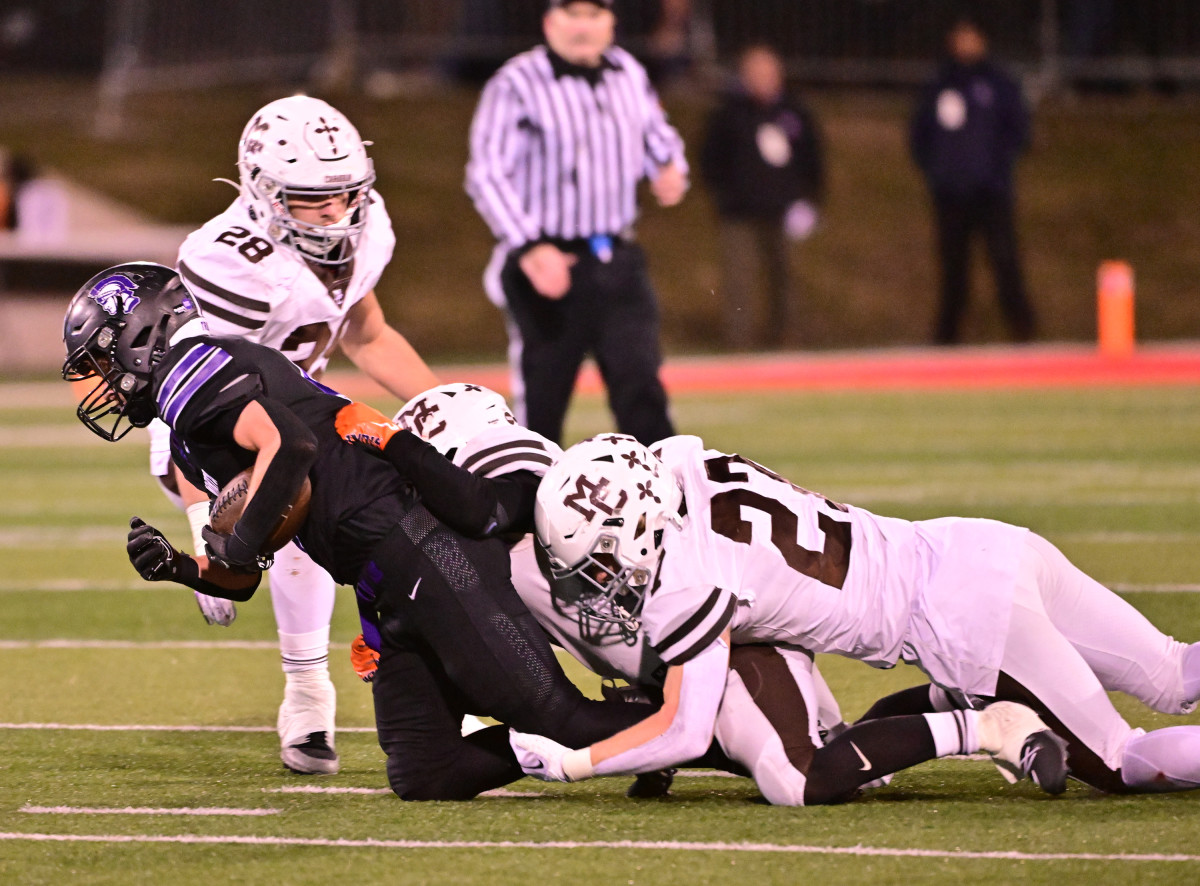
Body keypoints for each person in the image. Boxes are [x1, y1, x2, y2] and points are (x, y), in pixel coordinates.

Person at [62, 262, 657, 800]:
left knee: (563, 717)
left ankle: (710, 733)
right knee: (427, 769)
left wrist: (237, 541)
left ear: (139, 338)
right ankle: (626, 734)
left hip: (420, 544)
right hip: (381, 574)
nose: (99, 383)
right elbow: (245, 577)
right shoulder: (189, 429)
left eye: (97, 362)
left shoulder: (192, 373)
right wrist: (183, 567)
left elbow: (290, 446)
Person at [337, 407, 1069, 805]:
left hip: (723, 632)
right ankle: (948, 694)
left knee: (799, 779)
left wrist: (580, 760)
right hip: (692, 651)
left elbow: (660, 687)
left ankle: (986, 724)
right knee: (843, 761)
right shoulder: (508, 549)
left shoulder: (555, 513)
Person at [517, 432, 1200, 796]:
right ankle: (956, 710)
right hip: (978, 542)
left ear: (638, 528)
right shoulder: (678, 460)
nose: (600, 584)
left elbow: (685, 731)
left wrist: (576, 763)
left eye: (600, 565)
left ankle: (982, 719)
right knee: (1173, 670)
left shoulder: (684, 581)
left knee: (1124, 761)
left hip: (965, 616)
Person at [160, 95, 439, 775]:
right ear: (263, 193)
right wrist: (204, 522)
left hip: (300, 406)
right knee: (298, 496)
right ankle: (309, 692)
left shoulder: (363, 233)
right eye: (315, 200)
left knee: (398, 498)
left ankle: (430, 680)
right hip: (209, 423)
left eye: (347, 193)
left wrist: (443, 404)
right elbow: (185, 391)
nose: (338, 213)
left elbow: (365, 331)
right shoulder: (230, 261)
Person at [464, 0, 689, 447]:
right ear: (550, 22)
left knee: (642, 388)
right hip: (549, 262)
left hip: (618, 258)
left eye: (594, 15)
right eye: (572, 14)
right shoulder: (516, 82)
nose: (583, 26)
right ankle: (527, 507)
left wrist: (670, 167)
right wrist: (529, 246)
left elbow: (658, 138)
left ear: (611, 23)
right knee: (542, 403)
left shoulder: (628, 71)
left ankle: (671, 502)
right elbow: (486, 172)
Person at [910, 16, 1037, 345]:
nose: (965, 43)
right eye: (959, 36)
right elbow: (919, 136)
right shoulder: (939, 84)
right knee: (953, 270)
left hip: (991, 192)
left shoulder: (999, 83)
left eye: (971, 36)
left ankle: (1023, 329)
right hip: (950, 194)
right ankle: (947, 338)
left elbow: (1019, 131)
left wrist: (996, 167)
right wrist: (937, 172)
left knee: (1005, 261)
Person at [699, 44, 824, 350]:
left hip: (785, 210)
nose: (762, 79)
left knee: (787, 279)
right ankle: (738, 344)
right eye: (755, 72)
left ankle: (786, 341)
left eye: (767, 72)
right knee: (738, 282)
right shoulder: (728, 114)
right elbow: (710, 158)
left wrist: (811, 199)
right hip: (739, 212)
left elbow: (813, 158)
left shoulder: (795, 111)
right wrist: (725, 195)